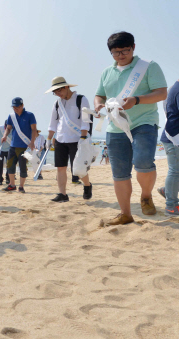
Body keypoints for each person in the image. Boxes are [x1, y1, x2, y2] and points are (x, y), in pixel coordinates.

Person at [94, 31, 167, 225]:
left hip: (144, 122)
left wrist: (136, 100)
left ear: (133, 47)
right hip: (115, 126)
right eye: (115, 53)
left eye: (124, 51)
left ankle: (146, 195)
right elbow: (99, 95)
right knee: (119, 172)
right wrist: (98, 104)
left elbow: (161, 93)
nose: (120, 55)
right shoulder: (107, 72)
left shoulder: (149, 67)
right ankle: (125, 214)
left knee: (143, 162)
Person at [45, 76, 93, 202]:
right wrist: (49, 139)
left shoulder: (81, 99)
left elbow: (85, 120)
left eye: (59, 91)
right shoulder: (57, 103)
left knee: (78, 169)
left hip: (77, 139)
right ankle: (63, 194)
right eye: (55, 92)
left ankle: (87, 185)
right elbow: (53, 123)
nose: (58, 94)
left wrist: (83, 137)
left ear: (67, 87)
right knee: (60, 167)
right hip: (60, 139)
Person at [0, 97, 37, 193]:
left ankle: (21, 186)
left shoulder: (30, 115)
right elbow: (8, 128)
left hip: (24, 146)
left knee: (22, 167)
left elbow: (34, 129)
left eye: (17, 107)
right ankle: (12, 185)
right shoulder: (11, 116)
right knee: (10, 165)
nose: (15, 109)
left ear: (22, 105)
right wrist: (4, 136)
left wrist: (32, 142)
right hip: (13, 145)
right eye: (13, 107)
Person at [158, 79, 179, 215]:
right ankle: (171, 206)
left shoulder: (173, 88)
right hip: (174, 137)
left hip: (172, 135)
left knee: (176, 170)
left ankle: (167, 191)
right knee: (175, 170)